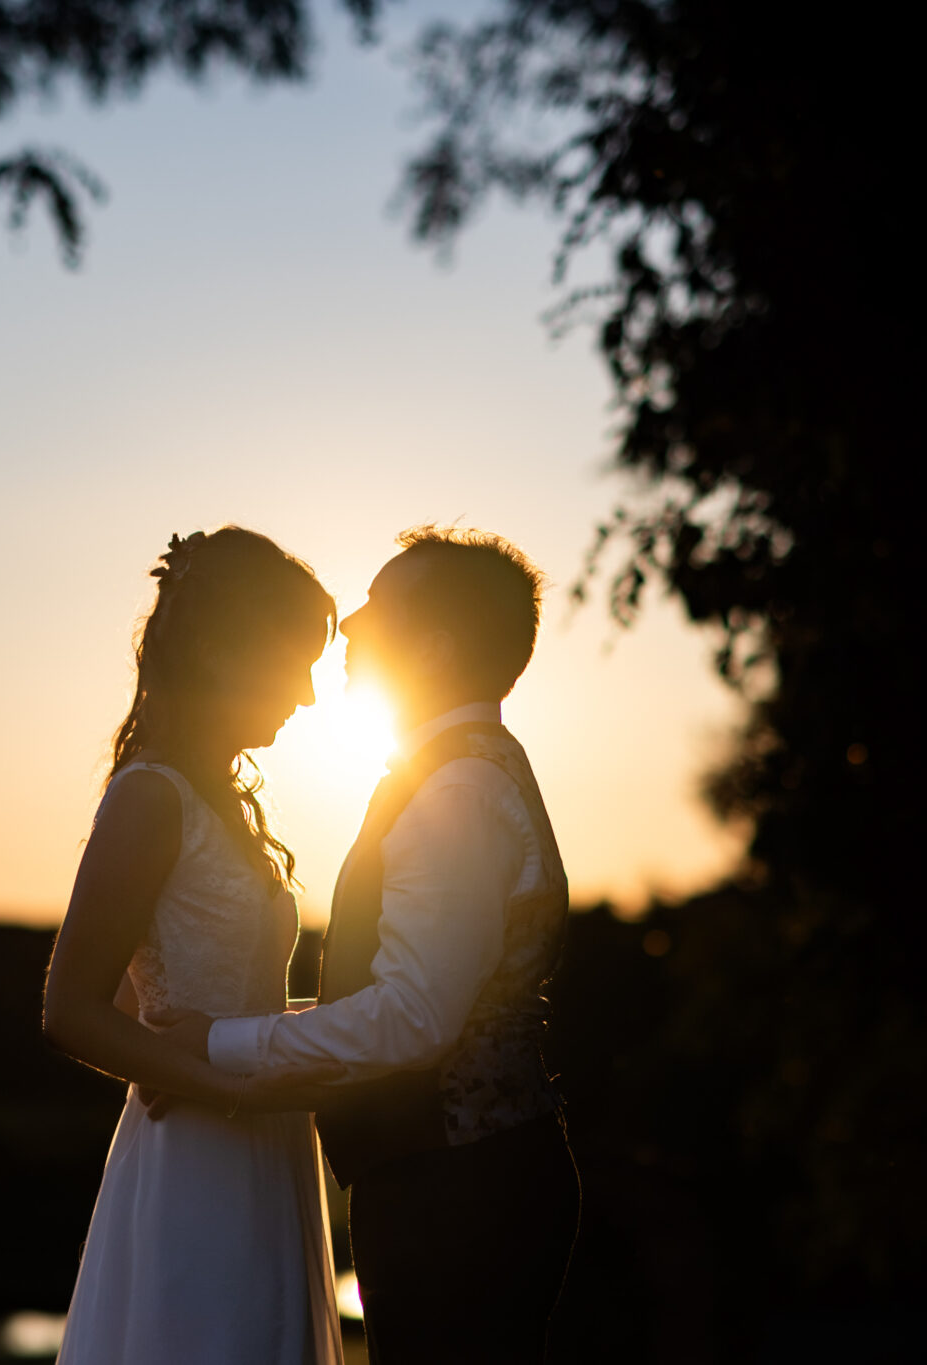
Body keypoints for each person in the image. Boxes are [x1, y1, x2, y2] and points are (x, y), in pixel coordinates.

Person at [157, 527, 581, 1364]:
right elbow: (418, 996)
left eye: (378, 607)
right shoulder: (462, 770)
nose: (349, 623)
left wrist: (215, 1040)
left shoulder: (454, 790)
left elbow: (413, 1018)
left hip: (458, 1193)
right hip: (467, 1180)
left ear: (437, 643)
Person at [44, 527, 348, 1365]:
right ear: (226, 650)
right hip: (198, 1155)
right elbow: (72, 1009)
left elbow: (211, 1002)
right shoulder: (148, 797)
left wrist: (335, 1027)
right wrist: (225, 1087)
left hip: (269, 1144)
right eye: (296, 661)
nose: (311, 697)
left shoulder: (224, 804)